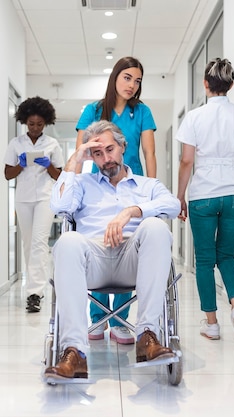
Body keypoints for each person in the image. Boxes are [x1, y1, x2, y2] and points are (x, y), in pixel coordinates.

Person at [44, 120, 179, 380]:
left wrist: (132, 211)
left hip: (134, 260)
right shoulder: (82, 184)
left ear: (123, 147)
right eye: (97, 154)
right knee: (68, 241)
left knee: (156, 227)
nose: (106, 158)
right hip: (92, 260)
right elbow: (59, 206)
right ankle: (74, 353)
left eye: (110, 149)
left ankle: (147, 336)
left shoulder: (147, 186)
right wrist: (75, 160)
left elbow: (172, 205)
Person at [176, 58, 234, 342]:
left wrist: (180, 197)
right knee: (226, 255)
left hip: (203, 195)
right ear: (231, 85)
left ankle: (212, 324)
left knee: (204, 260)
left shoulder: (193, 117)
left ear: (205, 85)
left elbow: (186, 161)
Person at [74, 56, 158, 345]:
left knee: (126, 241)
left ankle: (121, 320)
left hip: (131, 185)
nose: (132, 85)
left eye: (137, 81)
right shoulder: (93, 110)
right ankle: (97, 318)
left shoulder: (142, 111)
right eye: (127, 78)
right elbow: (81, 151)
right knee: (98, 238)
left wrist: (150, 190)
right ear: (115, 78)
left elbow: (149, 153)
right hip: (99, 185)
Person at [4, 96, 64, 313]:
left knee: (39, 242)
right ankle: (35, 287)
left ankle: (34, 293)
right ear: (24, 122)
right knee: (29, 244)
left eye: (40, 124)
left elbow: (61, 176)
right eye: (31, 124)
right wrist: (20, 165)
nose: (36, 128)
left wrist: (48, 166)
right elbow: (7, 174)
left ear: (46, 123)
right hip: (23, 198)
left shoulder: (52, 144)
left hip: (45, 198)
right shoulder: (16, 143)